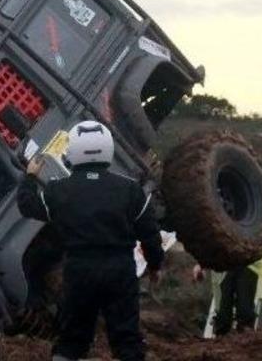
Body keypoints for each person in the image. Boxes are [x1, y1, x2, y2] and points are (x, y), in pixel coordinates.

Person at [18, 121, 163, 361]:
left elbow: (27, 206)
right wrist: (155, 265)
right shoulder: (130, 190)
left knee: (71, 341)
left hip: (79, 270)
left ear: (73, 151)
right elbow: (149, 234)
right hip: (120, 271)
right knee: (127, 342)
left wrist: (30, 177)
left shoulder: (58, 190)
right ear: (108, 149)